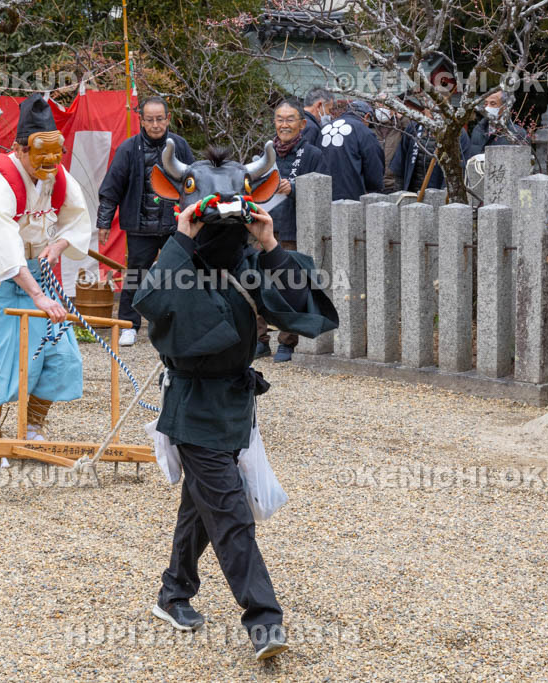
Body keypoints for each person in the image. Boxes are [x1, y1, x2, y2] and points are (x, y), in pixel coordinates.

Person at [133, 144, 338, 661]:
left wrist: (269, 244)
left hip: (237, 405)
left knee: (201, 509)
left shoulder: (249, 261)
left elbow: (304, 314)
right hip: (193, 407)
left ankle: (173, 593)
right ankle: (265, 621)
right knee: (230, 514)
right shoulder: (175, 263)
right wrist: (181, 237)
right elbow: (152, 305)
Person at [0, 94, 91, 468]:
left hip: (37, 271)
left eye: (55, 153)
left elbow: (76, 217)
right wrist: (39, 296)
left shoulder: (55, 174)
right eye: (40, 154)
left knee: (59, 353)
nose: (49, 162)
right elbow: (2, 248)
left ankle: (34, 428)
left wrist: (58, 245)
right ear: (20, 149)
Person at [96, 96, 194, 347]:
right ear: (141, 120)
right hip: (139, 224)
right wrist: (104, 222)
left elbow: (194, 185)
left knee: (179, 274)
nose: (155, 124)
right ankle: (129, 324)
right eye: (149, 119)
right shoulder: (128, 148)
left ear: (168, 118)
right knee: (135, 274)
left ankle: (178, 322)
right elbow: (111, 188)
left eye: (160, 119)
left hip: (174, 222)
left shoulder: (180, 146)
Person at [255, 99, 325, 363]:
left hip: (294, 232)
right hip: (262, 229)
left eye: (290, 119)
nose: (284, 125)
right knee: (257, 285)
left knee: (290, 288)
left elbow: (323, 194)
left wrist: (294, 189)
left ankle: (287, 341)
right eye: (280, 119)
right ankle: (260, 340)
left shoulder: (313, 155)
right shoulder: (265, 153)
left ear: (302, 124)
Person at [391, 101, 472, 194]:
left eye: (439, 109)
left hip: (438, 192)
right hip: (412, 191)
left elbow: (460, 169)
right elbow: (400, 163)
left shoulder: (457, 133)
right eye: (429, 108)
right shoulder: (414, 127)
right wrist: (400, 192)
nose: (433, 112)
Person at [319, 99, 385, 200]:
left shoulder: (324, 128)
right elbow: (374, 165)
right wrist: (374, 189)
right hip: (352, 195)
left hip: (322, 191)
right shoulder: (364, 131)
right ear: (366, 116)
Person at [468, 90, 529, 157]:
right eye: (485, 104)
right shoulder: (478, 130)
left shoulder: (517, 133)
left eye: (493, 104)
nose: (487, 108)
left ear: (504, 107)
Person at [372, 106, 410, 192]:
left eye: (385, 105)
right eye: (378, 104)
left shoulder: (400, 127)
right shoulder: (370, 127)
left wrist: (403, 118)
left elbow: (412, 133)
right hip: (374, 185)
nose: (381, 108)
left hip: (394, 184)